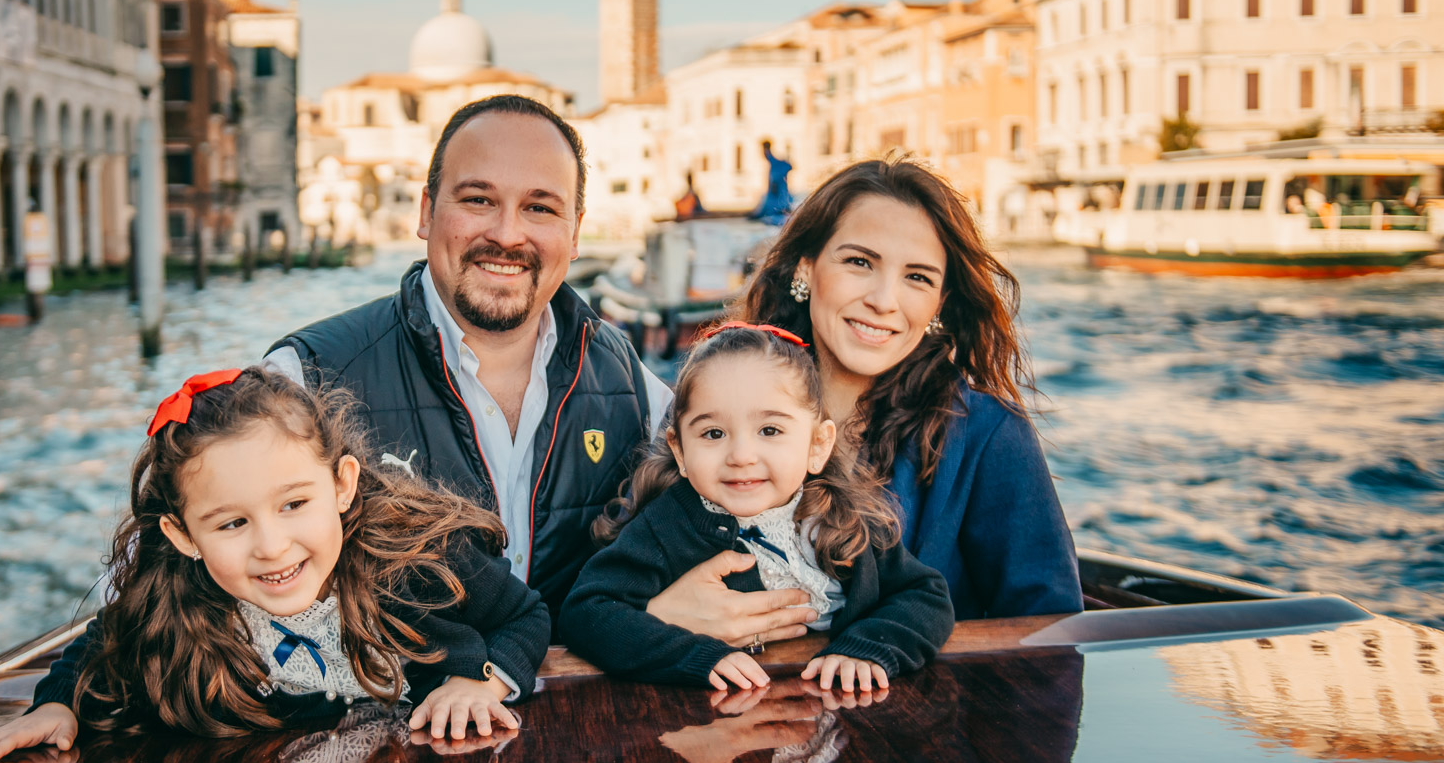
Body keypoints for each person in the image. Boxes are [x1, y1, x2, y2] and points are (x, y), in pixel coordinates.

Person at [0, 365, 551, 758]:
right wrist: (56, 704)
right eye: (232, 523)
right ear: (184, 536)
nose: (270, 545)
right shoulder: (180, 609)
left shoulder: (416, 560)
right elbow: (106, 641)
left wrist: (481, 681)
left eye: (294, 504)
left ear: (341, 486)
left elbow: (525, 614)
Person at [264, 94, 677, 623]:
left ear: (574, 232)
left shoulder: (632, 383)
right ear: (426, 211)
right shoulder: (306, 377)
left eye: (540, 208)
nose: (507, 234)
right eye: (479, 200)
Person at [716, 157, 1080, 620]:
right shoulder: (717, 401)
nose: (883, 301)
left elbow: (1049, 631)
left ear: (940, 302)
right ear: (805, 268)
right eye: (859, 262)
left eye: (917, 277)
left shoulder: (990, 434)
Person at [561, 323, 953, 694]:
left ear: (818, 445)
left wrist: (866, 649)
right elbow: (587, 615)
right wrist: (692, 655)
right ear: (680, 449)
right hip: (716, 725)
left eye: (770, 431)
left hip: (833, 712)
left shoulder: (844, 519)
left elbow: (925, 595)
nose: (742, 456)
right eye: (713, 433)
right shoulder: (666, 526)